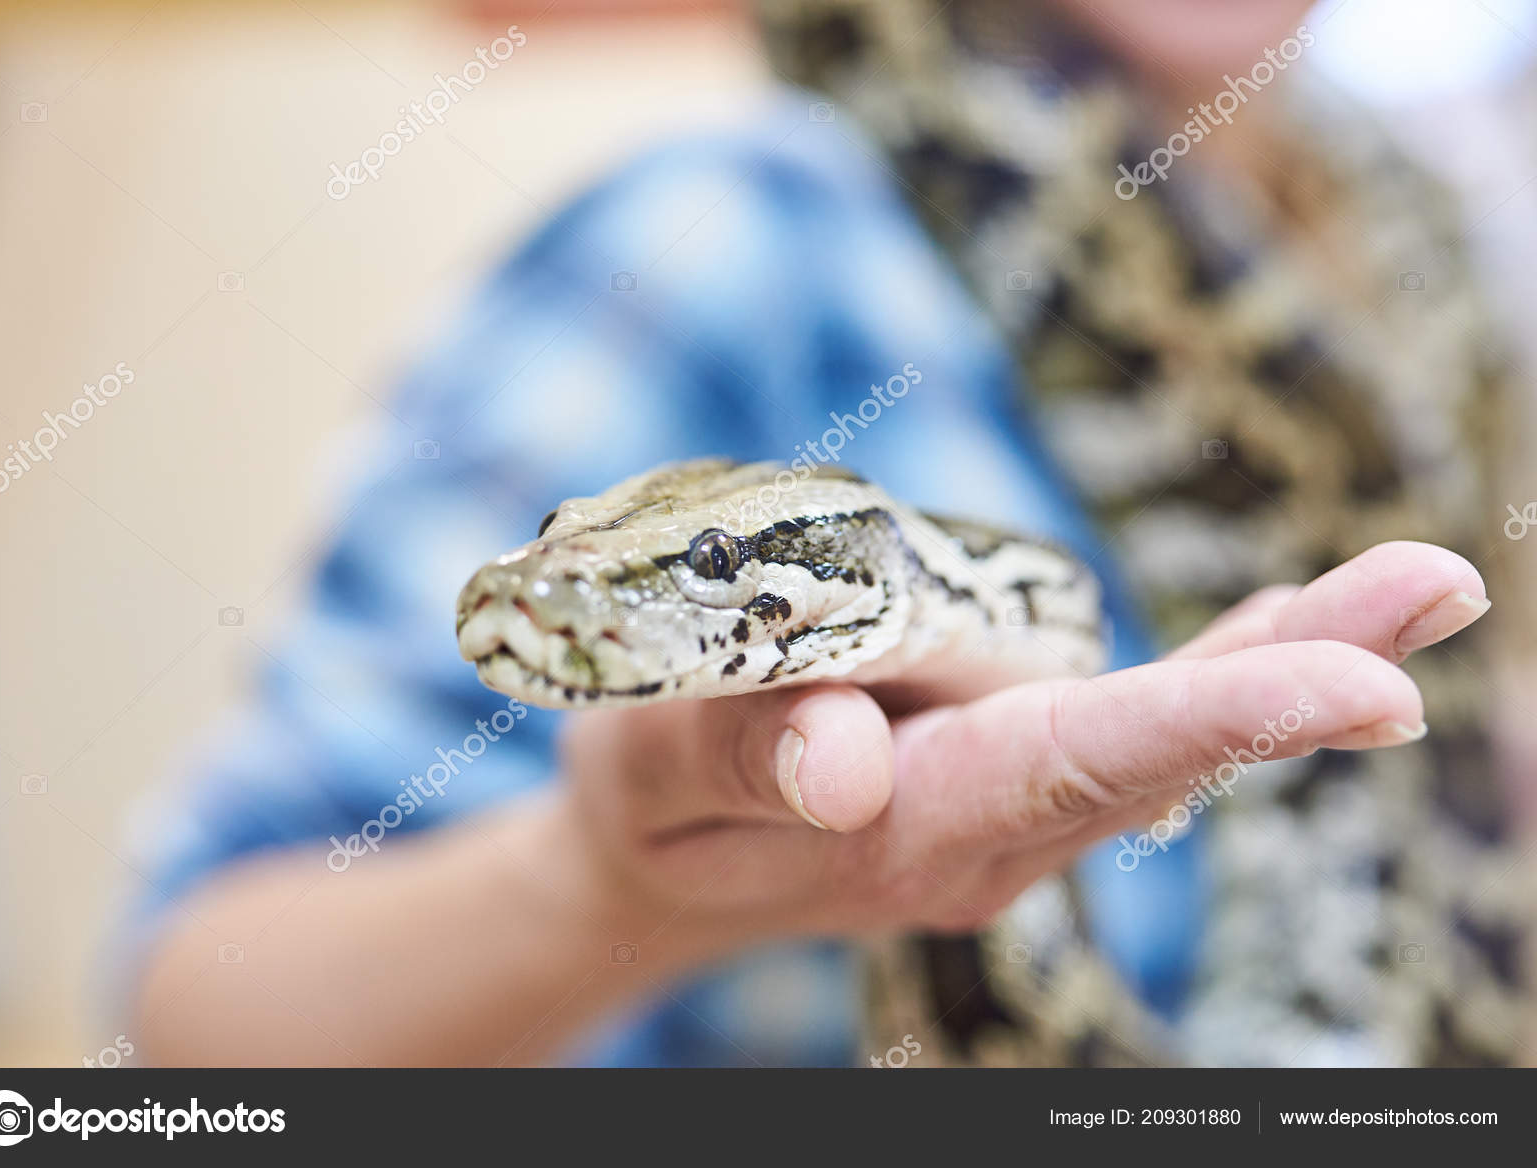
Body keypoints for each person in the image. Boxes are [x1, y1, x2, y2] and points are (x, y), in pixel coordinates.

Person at [125, 0, 1529, 1066]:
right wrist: (610, 886)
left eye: (721, 566)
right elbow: (185, 1023)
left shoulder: (1426, 267)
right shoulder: (726, 235)